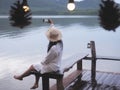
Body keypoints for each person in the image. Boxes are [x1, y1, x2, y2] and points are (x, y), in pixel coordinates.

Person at [14, 19, 63, 89]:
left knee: (33, 67)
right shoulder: (60, 43)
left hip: (52, 67)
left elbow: (45, 61)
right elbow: (53, 30)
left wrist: (41, 62)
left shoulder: (54, 48)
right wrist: (51, 23)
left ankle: (21, 77)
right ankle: (36, 84)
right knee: (37, 67)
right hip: (57, 64)